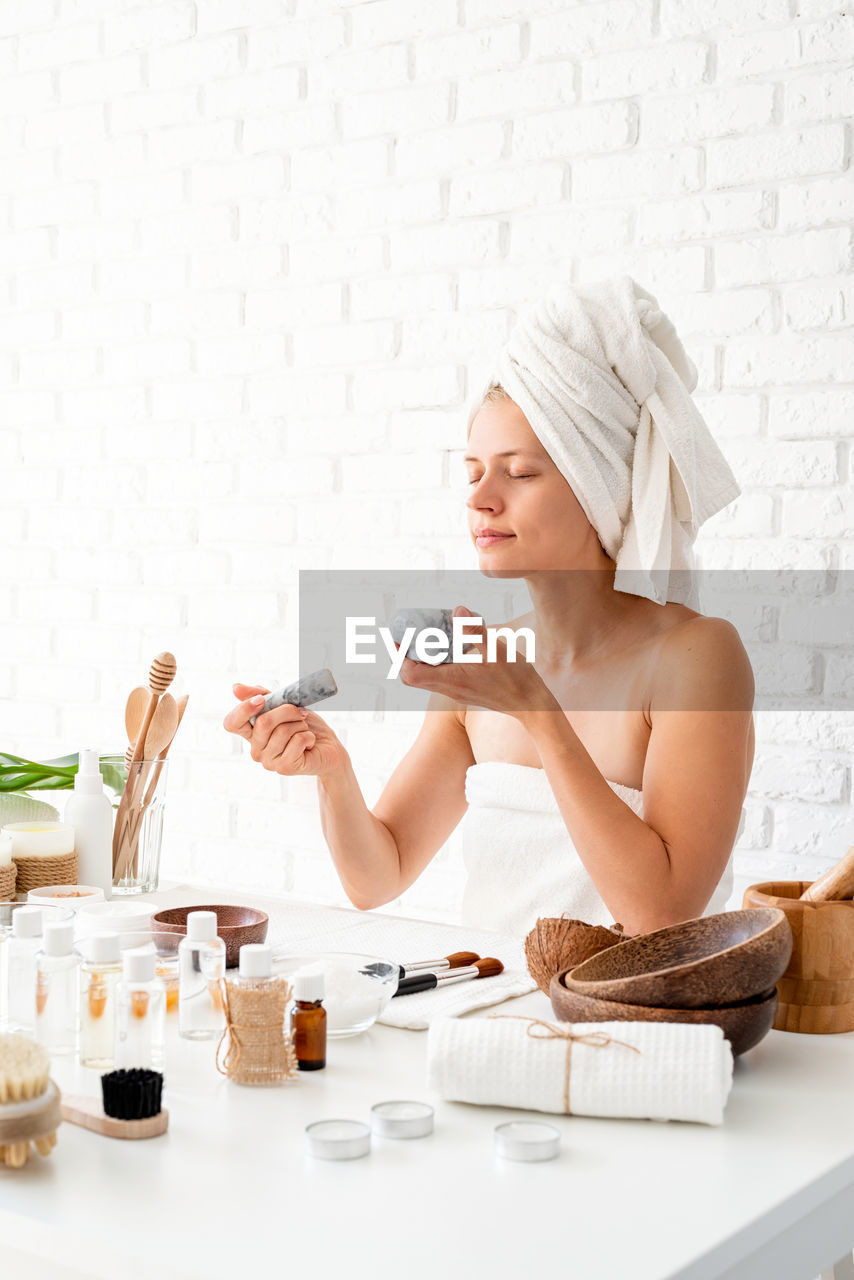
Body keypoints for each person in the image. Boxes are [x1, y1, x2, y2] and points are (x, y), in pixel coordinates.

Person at [224, 277, 754, 938]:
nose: (480, 498)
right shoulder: (482, 668)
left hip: (630, 1028)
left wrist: (535, 709)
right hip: (484, 1020)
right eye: (472, 470)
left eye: (520, 472)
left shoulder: (695, 658)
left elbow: (662, 915)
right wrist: (332, 772)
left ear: (603, 488)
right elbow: (377, 875)